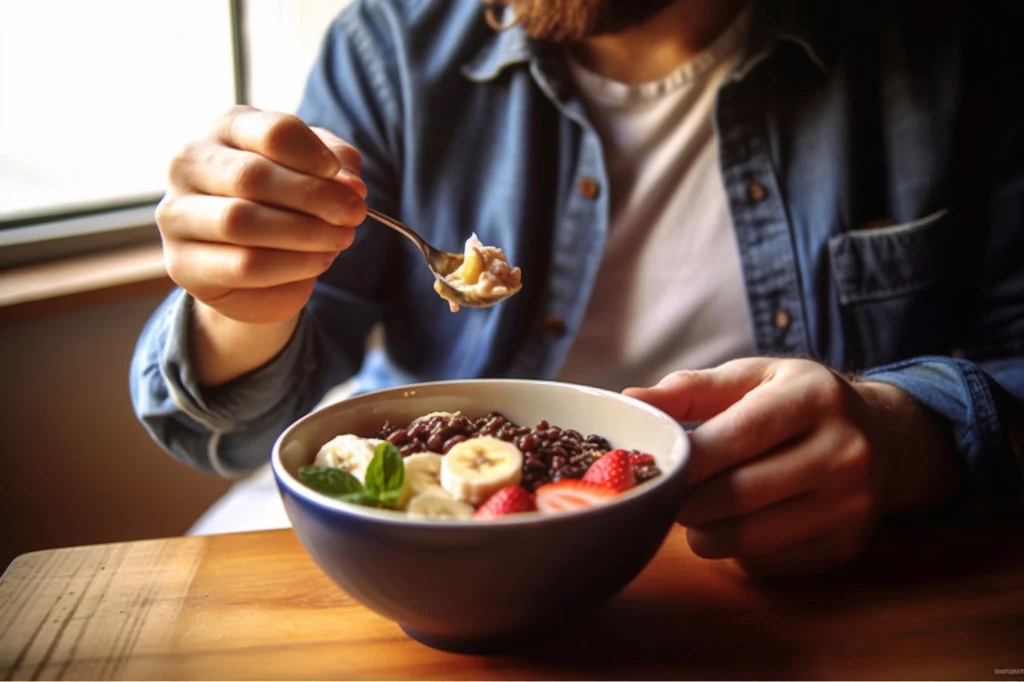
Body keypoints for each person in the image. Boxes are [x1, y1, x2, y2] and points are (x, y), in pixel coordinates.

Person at [131, 0, 1024, 575]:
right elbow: (224, 428)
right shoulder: (392, 45)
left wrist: (907, 436)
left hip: (779, 572)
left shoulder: (956, 44)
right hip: (429, 533)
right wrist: (237, 301)